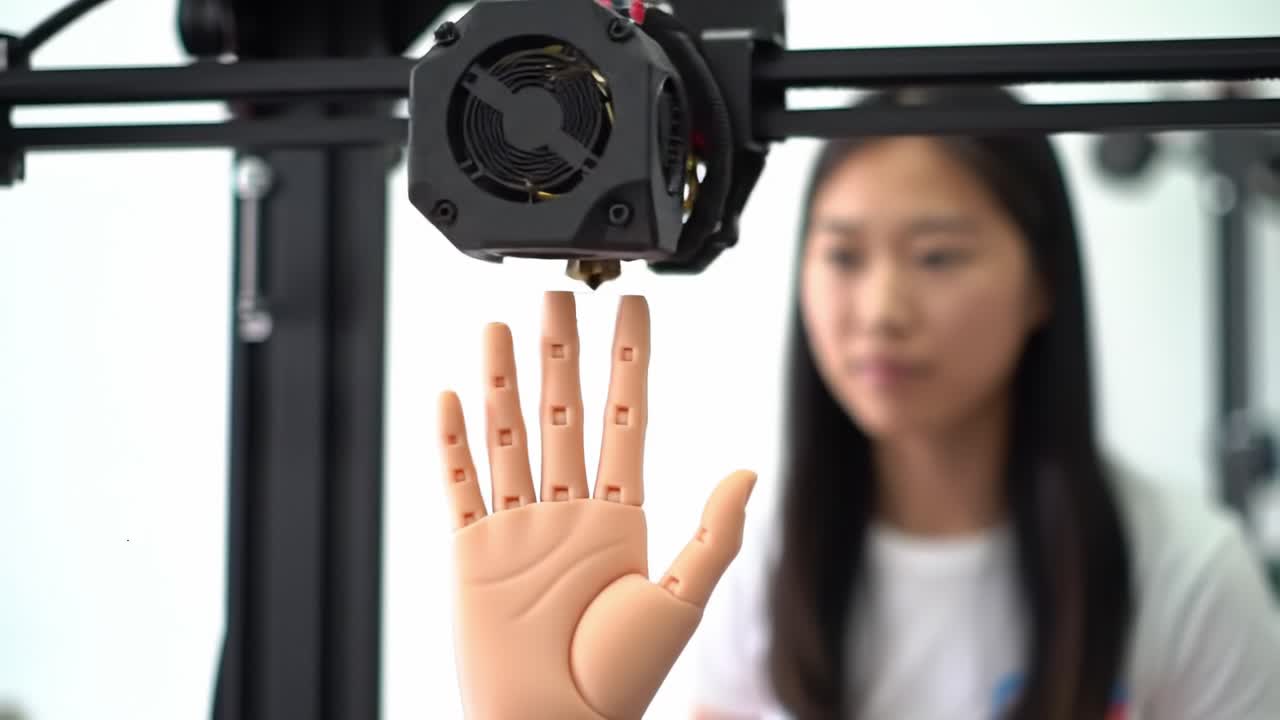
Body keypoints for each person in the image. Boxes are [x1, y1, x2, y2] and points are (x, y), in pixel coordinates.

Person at [435, 87, 1280, 720]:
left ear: (1043, 284)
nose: (881, 311)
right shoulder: (748, 567)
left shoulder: (1187, 572)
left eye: (938, 257)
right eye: (843, 258)